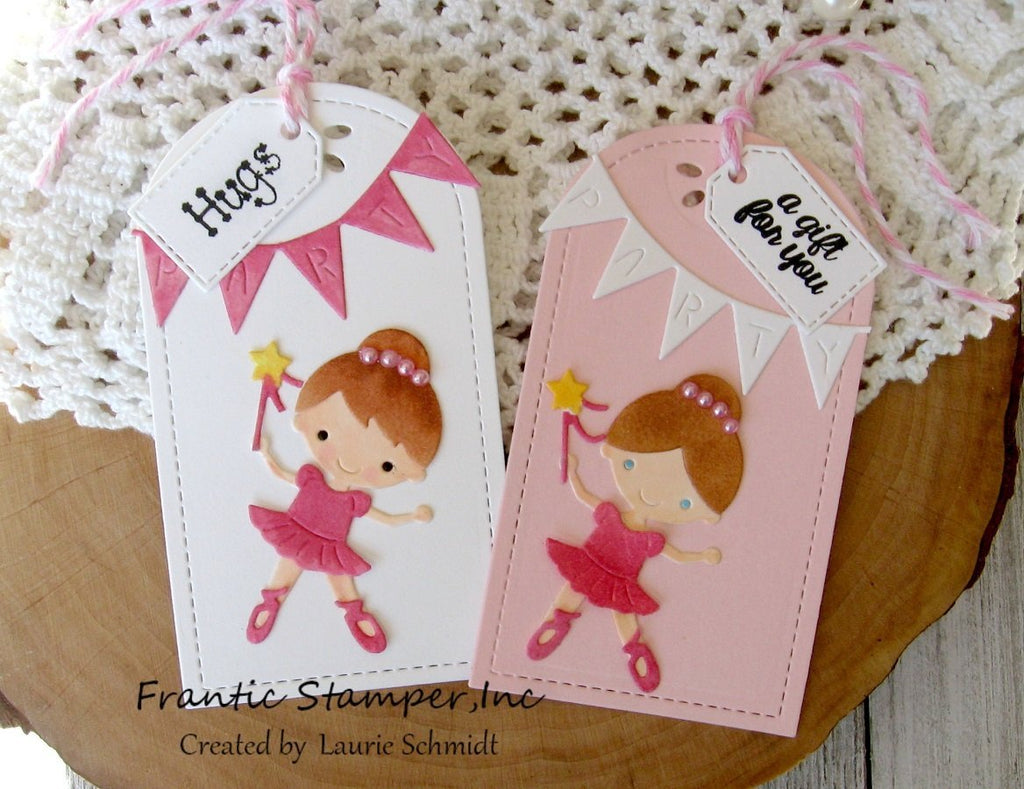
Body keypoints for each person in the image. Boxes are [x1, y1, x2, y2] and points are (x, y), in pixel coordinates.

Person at [527, 374, 743, 691]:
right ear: (615, 452)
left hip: (620, 581)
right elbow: (586, 495)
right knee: (574, 590)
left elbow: (676, 555)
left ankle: (635, 650)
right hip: (590, 563)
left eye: (684, 502)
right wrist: (572, 472)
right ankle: (555, 622)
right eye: (631, 465)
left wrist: (701, 556)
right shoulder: (612, 515)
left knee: (622, 614)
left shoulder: (650, 540)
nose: (652, 494)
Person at [247, 328, 442, 653]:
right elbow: (283, 474)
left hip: (331, 547)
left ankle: (355, 616)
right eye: (324, 434)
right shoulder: (312, 479)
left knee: (343, 587)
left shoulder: (353, 500)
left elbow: (385, 518)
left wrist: (411, 516)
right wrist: (268, 455)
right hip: (297, 532)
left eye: (387, 465)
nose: (348, 461)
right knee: (285, 575)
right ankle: (270, 604)